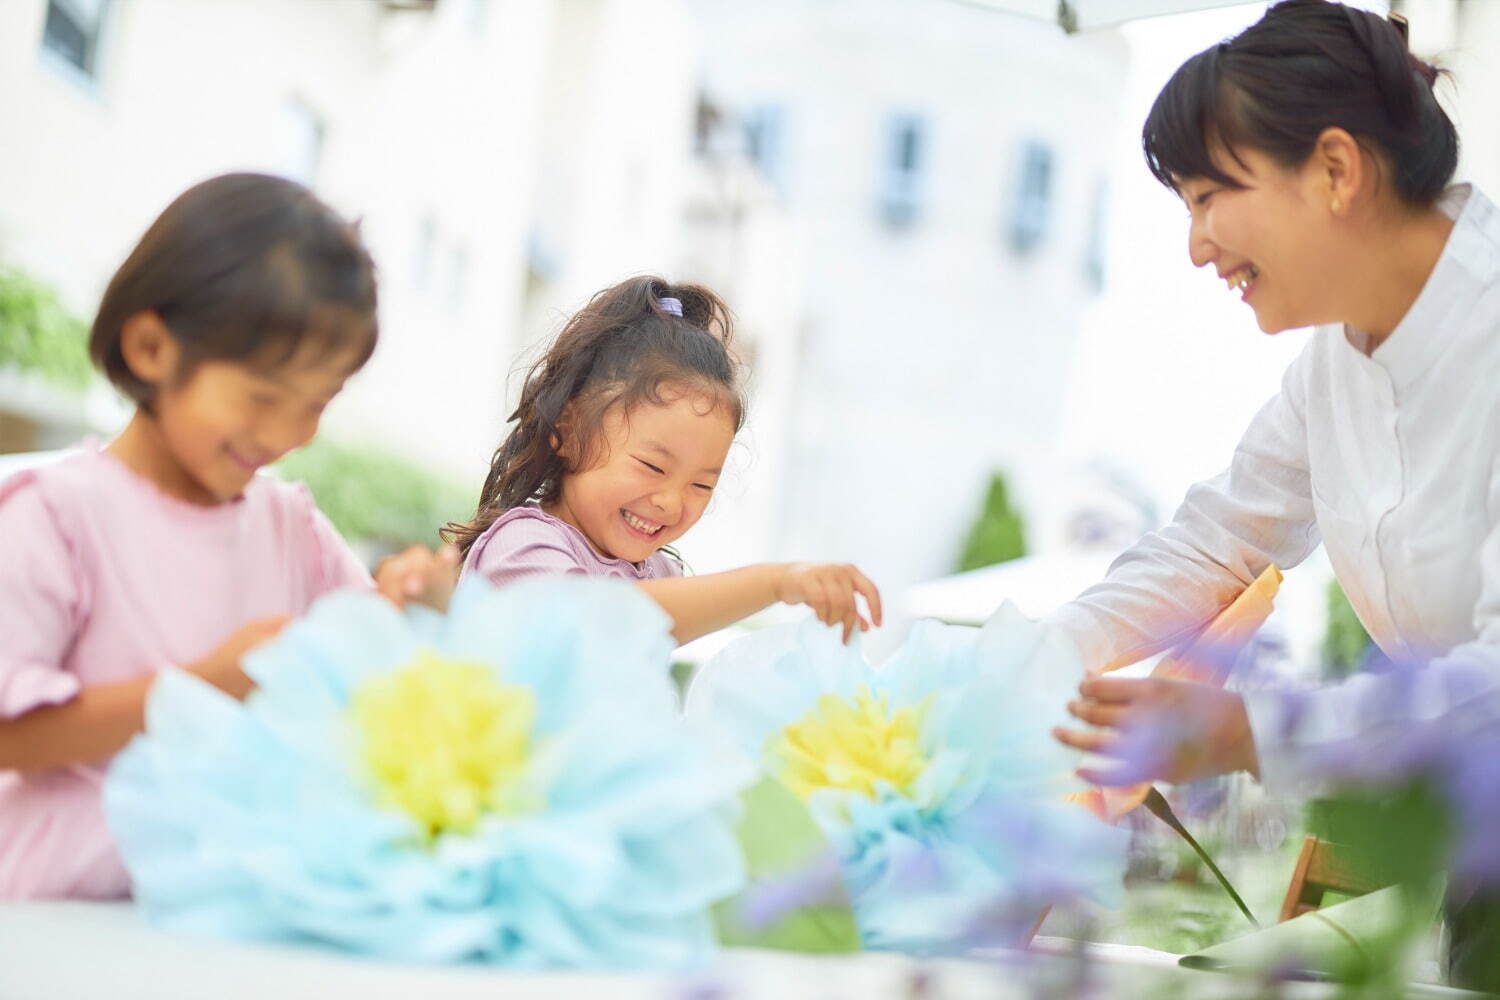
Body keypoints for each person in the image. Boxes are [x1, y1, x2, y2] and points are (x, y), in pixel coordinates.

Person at [1046, 1, 1500, 987]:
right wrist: (1035, 668)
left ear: (1337, 170)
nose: (1199, 246)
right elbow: (1216, 541)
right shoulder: (1336, 360)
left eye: (1212, 196)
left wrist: (1248, 731)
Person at [0, 173, 452, 900]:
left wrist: (417, 605)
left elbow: (374, 671)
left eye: (317, 404)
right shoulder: (55, 516)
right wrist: (203, 688)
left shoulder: (290, 527)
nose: (287, 434)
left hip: (221, 911)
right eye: (264, 397)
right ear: (151, 347)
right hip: (61, 915)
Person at [447, 275, 882, 645]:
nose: (672, 503)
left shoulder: (659, 575)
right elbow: (602, 623)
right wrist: (774, 582)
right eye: (653, 467)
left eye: (701, 485)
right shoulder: (523, 544)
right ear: (567, 429)